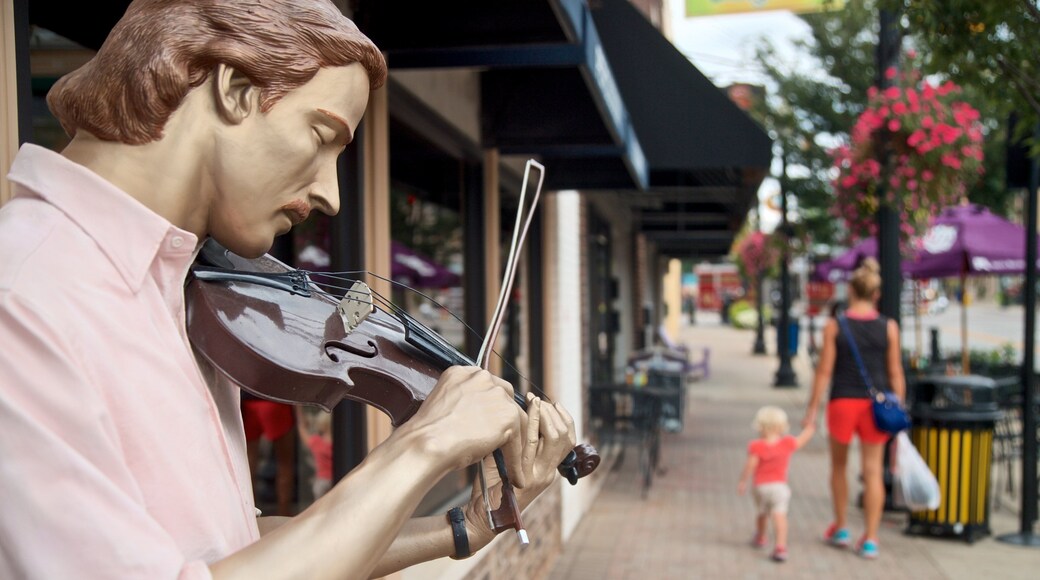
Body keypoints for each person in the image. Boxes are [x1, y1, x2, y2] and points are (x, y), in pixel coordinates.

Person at [0, 1, 577, 578]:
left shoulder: (184, 290)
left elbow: (229, 548)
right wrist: (422, 446)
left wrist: (465, 527)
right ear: (236, 88)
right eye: (322, 136)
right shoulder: (25, 295)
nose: (332, 195)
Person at [802, 258, 906, 559]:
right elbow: (895, 372)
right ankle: (871, 538)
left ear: (850, 290)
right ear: (875, 294)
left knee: (838, 467)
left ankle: (842, 527)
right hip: (877, 407)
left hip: (842, 402)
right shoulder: (889, 327)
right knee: (873, 471)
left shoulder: (836, 325)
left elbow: (824, 371)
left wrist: (812, 409)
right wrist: (899, 407)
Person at [737, 406, 815, 563]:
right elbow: (802, 440)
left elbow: (750, 465)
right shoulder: (786, 443)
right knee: (779, 515)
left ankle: (761, 536)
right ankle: (780, 546)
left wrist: (743, 481)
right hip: (780, 487)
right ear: (782, 426)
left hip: (761, 487)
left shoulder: (756, 446)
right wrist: (809, 428)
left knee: (762, 513)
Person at [242, 397, 298, 516]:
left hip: (249, 402)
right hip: (275, 401)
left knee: (247, 466)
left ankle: (249, 515)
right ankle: (284, 515)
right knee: (285, 463)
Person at [297, 407, 334, 500]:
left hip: (321, 481)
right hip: (336, 481)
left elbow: (302, 430)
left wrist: (298, 411)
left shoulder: (317, 442)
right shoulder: (339, 444)